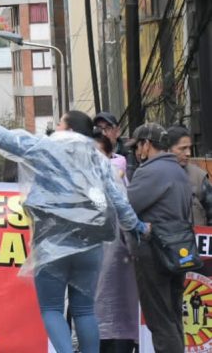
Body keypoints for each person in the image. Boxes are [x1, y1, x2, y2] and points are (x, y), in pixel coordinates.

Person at [0, 106, 147, 353]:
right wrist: (136, 226)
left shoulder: (45, 147)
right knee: (85, 309)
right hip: (91, 243)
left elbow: (2, 138)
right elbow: (118, 199)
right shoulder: (98, 158)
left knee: (52, 308)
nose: (57, 128)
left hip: (51, 241)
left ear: (70, 129)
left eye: (61, 124)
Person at [128, 122, 193, 353]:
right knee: (173, 317)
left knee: (161, 321)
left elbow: (126, 207)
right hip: (177, 252)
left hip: (154, 254)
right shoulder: (179, 170)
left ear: (147, 144)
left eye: (138, 146)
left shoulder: (150, 171)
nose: (136, 152)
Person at [92, 127, 140, 353]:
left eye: (97, 155)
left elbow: (134, 240)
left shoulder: (120, 195)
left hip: (117, 299)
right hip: (85, 306)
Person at [166, 125, 212, 226]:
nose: (188, 153)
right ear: (167, 149)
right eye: (182, 148)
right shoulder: (153, 175)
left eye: (189, 148)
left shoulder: (199, 177)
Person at [94, 112, 136, 176]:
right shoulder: (91, 154)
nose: (103, 133)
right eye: (99, 128)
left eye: (108, 128)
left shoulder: (128, 154)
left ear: (118, 131)